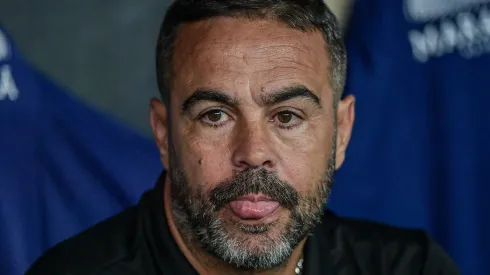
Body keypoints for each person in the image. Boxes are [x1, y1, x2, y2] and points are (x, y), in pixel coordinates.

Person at [25, 0, 460, 274]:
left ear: (341, 132)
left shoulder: (411, 267)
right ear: (164, 134)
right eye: (215, 115)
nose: (253, 153)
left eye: (287, 116)